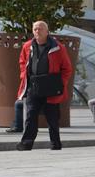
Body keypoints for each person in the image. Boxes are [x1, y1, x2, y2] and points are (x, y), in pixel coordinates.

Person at [15, 20, 74, 151]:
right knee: (30, 115)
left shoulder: (58, 47)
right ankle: (26, 143)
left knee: (52, 117)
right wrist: (24, 75)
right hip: (33, 85)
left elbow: (67, 69)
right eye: (35, 29)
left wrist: (60, 83)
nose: (37, 31)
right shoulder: (27, 46)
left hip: (50, 86)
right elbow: (22, 62)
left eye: (40, 29)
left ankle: (55, 144)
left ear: (47, 32)